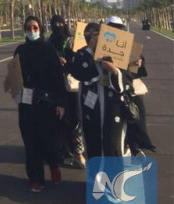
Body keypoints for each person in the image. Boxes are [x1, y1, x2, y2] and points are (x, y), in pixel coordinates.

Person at [4, 15, 66, 193]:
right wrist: (11, 86)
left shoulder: (48, 50)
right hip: (26, 103)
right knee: (30, 142)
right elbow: (15, 74)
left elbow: (57, 79)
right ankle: (36, 178)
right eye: (29, 28)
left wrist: (61, 103)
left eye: (35, 28)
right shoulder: (20, 50)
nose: (32, 31)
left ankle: (54, 164)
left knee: (48, 141)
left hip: (46, 102)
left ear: (40, 29)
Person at [69, 21, 129, 159]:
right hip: (91, 107)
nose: (92, 37)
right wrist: (90, 49)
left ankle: (114, 179)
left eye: (96, 34)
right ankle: (95, 178)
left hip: (112, 108)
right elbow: (80, 72)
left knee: (113, 145)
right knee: (92, 143)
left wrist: (114, 70)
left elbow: (125, 79)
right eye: (88, 34)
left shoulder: (114, 52)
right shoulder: (82, 53)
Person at [105, 16, 155, 156]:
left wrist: (138, 64)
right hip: (111, 90)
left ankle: (137, 145)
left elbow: (139, 70)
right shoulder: (102, 46)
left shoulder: (129, 45)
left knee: (137, 116)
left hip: (131, 87)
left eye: (118, 27)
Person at [48, 15, 86, 169]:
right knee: (59, 120)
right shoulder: (48, 42)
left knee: (76, 118)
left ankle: (78, 152)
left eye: (60, 23)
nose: (58, 26)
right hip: (56, 85)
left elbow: (80, 60)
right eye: (55, 24)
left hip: (73, 86)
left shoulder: (72, 40)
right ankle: (64, 151)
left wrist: (68, 62)